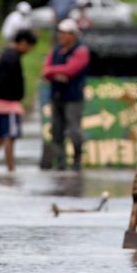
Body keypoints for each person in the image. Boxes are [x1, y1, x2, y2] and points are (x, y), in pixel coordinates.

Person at [41, 18, 90, 172]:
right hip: (56, 95)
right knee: (57, 130)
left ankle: (77, 160)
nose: (61, 36)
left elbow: (71, 70)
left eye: (65, 33)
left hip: (73, 97)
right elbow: (45, 70)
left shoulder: (81, 50)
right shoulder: (56, 50)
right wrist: (57, 72)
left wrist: (54, 71)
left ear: (73, 35)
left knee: (74, 130)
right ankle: (60, 162)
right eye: (60, 33)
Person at [0, 29, 38, 173]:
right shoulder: (12, 57)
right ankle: (11, 169)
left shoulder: (8, 55)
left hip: (3, 103)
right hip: (8, 104)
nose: (29, 50)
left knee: (0, 136)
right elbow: (4, 80)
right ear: (23, 43)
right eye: (29, 46)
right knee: (9, 136)